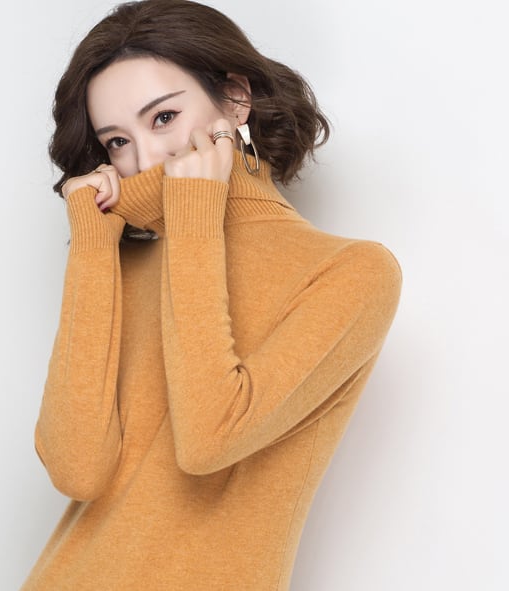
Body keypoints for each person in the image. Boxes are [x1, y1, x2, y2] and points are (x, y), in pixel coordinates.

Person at [22, 1, 401, 589]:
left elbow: (208, 438)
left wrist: (195, 216)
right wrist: (93, 251)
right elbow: (78, 470)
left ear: (235, 99)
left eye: (164, 117)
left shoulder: (350, 273)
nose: (145, 158)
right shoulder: (121, 267)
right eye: (117, 141)